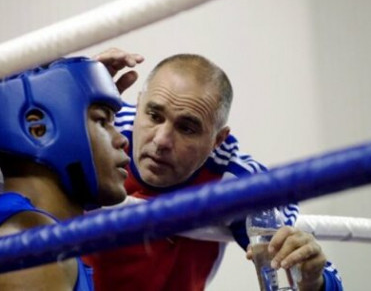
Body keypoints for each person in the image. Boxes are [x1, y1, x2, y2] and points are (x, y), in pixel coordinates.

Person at [85, 48, 343, 291]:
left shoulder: (237, 181)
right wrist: (66, 92)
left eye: (186, 128)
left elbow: (302, 274)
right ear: (139, 104)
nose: (162, 140)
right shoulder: (98, 129)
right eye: (154, 115)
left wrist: (313, 281)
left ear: (217, 140)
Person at [0, 56, 135, 290]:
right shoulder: (32, 246)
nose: (122, 139)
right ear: (38, 128)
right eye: (103, 121)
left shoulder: (41, 237)